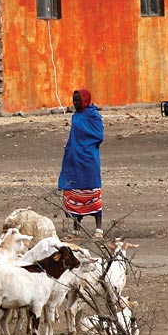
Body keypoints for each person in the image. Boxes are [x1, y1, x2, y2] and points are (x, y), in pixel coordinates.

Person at [58, 88, 104, 232]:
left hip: (88, 159)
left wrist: (84, 145)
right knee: (74, 190)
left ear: (85, 100)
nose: (75, 103)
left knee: (92, 191)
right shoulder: (76, 116)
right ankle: (76, 228)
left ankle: (99, 229)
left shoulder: (93, 115)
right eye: (74, 100)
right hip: (74, 159)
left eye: (78, 100)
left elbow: (99, 135)